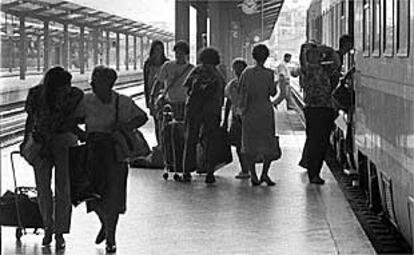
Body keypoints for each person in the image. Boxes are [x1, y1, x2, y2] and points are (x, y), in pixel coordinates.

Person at [75, 66, 148, 253]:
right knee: (93, 194)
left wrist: (126, 125)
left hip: (115, 153)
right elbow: (73, 120)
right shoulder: (86, 100)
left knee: (113, 196)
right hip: (93, 152)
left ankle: (111, 237)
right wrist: (81, 134)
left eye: (96, 80)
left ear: (108, 83)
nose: (91, 83)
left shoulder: (123, 102)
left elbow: (142, 117)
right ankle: (106, 225)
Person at [22, 66, 83, 249]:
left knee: (62, 188)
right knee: (46, 187)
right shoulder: (36, 94)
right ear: (54, 85)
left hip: (61, 142)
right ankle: (49, 226)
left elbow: (78, 119)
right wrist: (26, 141)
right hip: (43, 143)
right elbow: (31, 119)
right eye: (64, 85)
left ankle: (58, 231)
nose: (68, 88)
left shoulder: (74, 95)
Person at [298, 34, 353, 185]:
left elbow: (335, 64)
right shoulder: (307, 69)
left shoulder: (323, 68)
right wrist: (319, 48)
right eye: (313, 54)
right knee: (316, 141)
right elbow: (307, 52)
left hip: (325, 108)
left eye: (317, 54)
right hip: (315, 109)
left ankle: (314, 171)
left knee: (321, 142)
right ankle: (313, 172)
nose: (317, 56)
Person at [182, 47, 226, 183]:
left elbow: (187, 88)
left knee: (190, 139)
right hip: (212, 111)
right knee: (211, 141)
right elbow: (221, 92)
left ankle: (186, 171)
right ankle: (209, 172)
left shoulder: (197, 70)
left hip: (194, 109)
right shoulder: (218, 73)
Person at [238, 44, 278, 186]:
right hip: (265, 110)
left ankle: (253, 175)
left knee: (250, 143)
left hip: (250, 111)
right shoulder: (269, 73)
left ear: (253, 56)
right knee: (268, 142)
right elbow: (272, 93)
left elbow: (240, 91)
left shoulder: (246, 72)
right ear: (266, 57)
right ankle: (265, 174)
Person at [223, 58, 250, 179]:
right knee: (240, 144)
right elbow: (228, 102)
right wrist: (225, 120)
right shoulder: (233, 85)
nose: (238, 72)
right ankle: (245, 168)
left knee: (243, 144)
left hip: (245, 117)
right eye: (236, 69)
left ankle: (246, 168)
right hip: (239, 117)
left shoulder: (235, 84)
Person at [157, 40, 194, 121]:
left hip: (185, 102)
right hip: (170, 102)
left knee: (182, 126)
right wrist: (155, 96)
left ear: (186, 54)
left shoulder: (192, 69)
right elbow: (159, 82)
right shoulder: (167, 66)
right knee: (169, 127)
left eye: (181, 53)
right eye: (177, 53)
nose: (178, 55)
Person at [143, 40, 169, 148]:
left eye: (160, 49)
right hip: (152, 96)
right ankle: (159, 144)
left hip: (164, 96)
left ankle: (164, 144)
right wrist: (148, 99)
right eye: (156, 49)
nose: (158, 52)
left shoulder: (166, 63)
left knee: (164, 121)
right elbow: (145, 82)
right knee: (156, 122)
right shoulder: (148, 64)